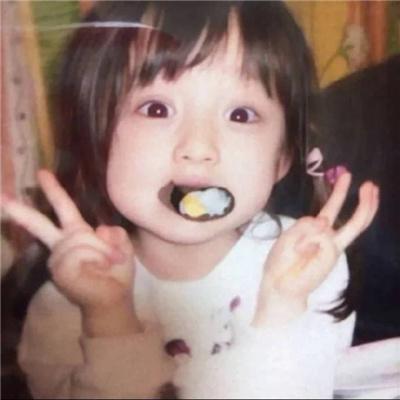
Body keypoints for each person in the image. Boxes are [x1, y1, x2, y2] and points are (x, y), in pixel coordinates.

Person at [1, 2, 379, 399]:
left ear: (283, 157)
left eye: (240, 115)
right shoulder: (68, 301)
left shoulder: (307, 268)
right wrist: (108, 319)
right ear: (95, 135)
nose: (199, 148)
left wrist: (284, 307)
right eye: (156, 109)